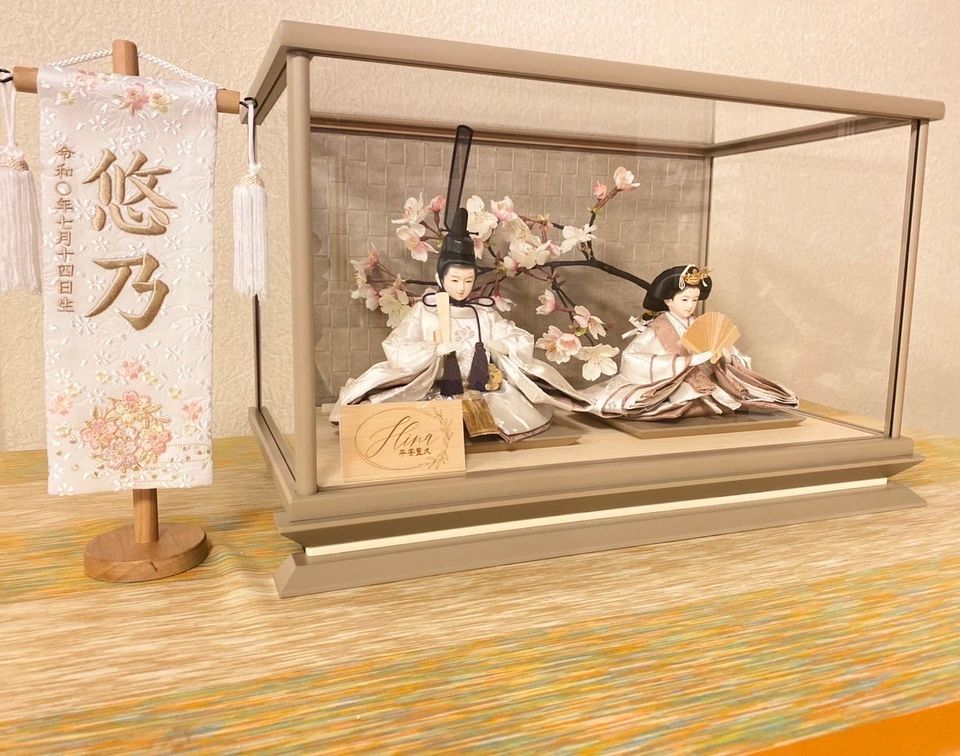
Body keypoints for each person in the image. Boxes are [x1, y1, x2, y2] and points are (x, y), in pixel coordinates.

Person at [331, 209, 588, 442]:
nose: (462, 288)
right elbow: (396, 346)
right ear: (439, 278)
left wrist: (499, 345)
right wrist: (432, 350)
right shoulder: (425, 311)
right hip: (434, 388)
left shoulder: (484, 313)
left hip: (484, 389)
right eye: (454, 280)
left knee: (516, 410)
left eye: (468, 280)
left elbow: (518, 337)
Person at [583, 265, 798, 419]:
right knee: (681, 398)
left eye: (694, 300)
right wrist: (688, 361)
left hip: (709, 382)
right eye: (684, 299)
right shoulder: (658, 328)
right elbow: (631, 359)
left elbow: (735, 355)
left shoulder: (701, 324)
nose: (690, 305)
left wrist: (722, 355)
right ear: (668, 300)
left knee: (733, 396)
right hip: (675, 384)